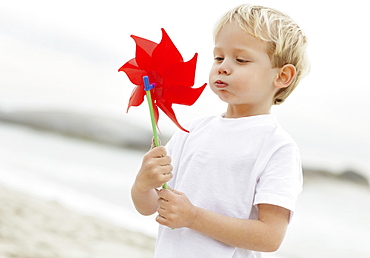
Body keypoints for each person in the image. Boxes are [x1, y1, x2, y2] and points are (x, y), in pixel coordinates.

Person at [131, 4, 309, 258]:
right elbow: (150, 207)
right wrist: (143, 184)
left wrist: (192, 217)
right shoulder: (190, 131)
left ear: (282, 76)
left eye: (240, 59)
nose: (223, 66)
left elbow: (270, 236)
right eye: (218, 57)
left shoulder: (277, 147)